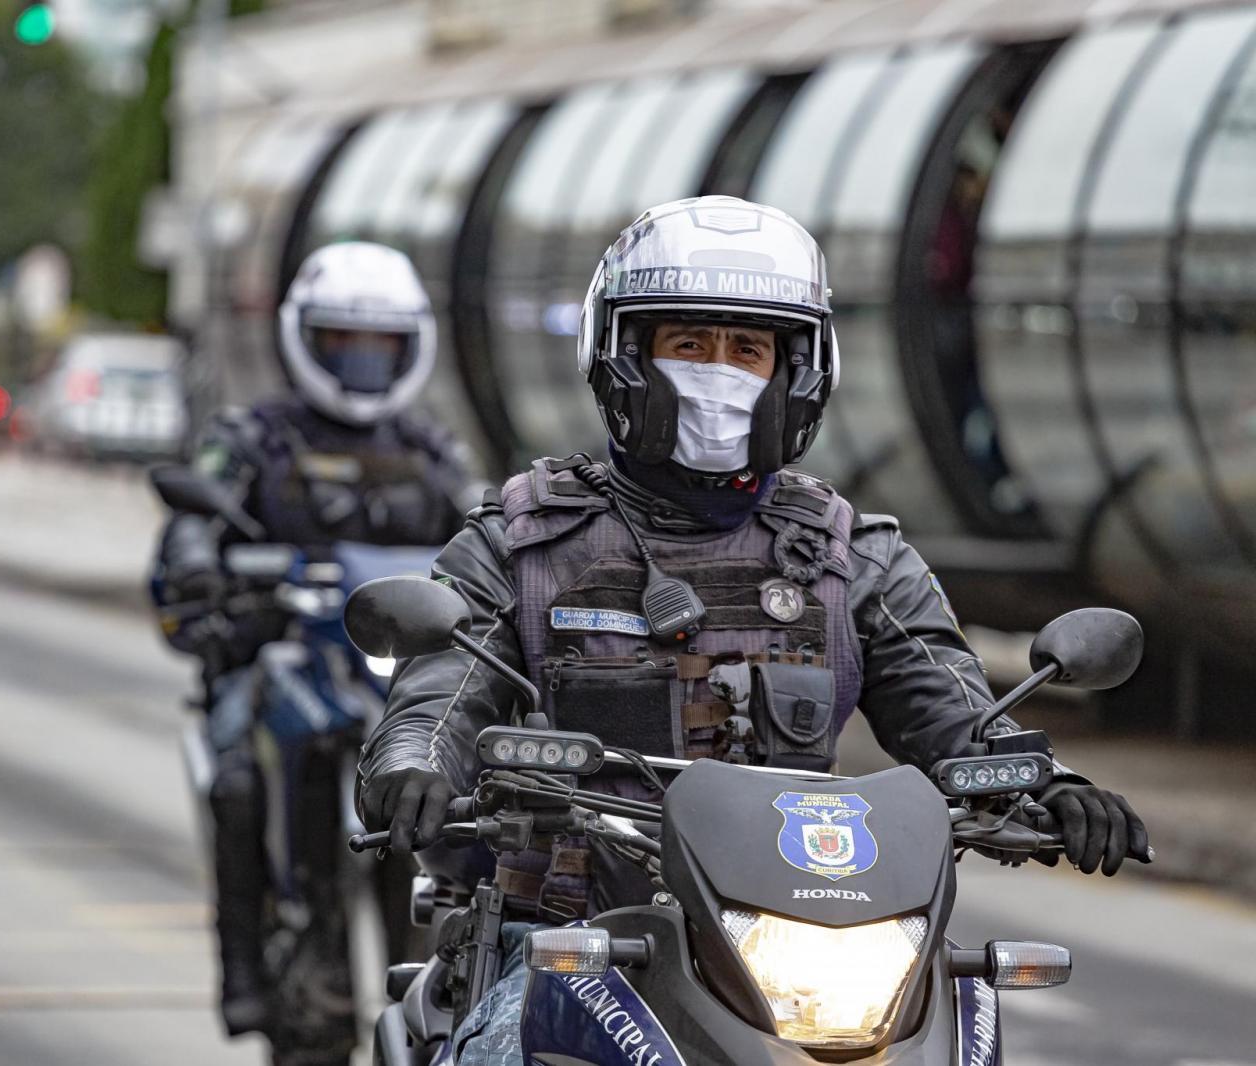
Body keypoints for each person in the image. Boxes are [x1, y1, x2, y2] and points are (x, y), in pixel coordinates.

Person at [355, 196, 1149, 1064]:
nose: (720, 372)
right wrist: (414, 765)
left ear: (796, 372)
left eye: (749, 350)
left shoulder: (855, 561)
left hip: (809, 952)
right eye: (689, 344)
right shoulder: (524, 544)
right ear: (623, 355)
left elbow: (962, 721)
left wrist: (1056, 787)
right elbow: (441, 695)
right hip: (576, 946)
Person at [151, 241, 483, 1058]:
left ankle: (480, 974)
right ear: (307, 337)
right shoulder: (252, 438)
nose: (363, 359)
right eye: (344, 340)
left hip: (402, 677)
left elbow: (491, 534)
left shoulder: (433, 451)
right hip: (289, 660)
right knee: (235, 779)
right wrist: (198, 565)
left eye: (380, 343)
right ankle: (247, 974)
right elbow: (193, 520)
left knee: (501, 787)